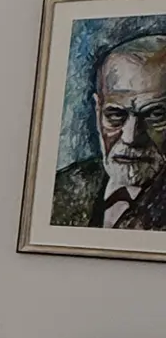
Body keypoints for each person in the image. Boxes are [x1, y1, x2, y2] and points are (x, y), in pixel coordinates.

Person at [52, 33, 166, 229]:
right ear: (98, 111)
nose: (130, 137)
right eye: (115, 114)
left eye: (154, 115)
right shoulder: (62, 188)